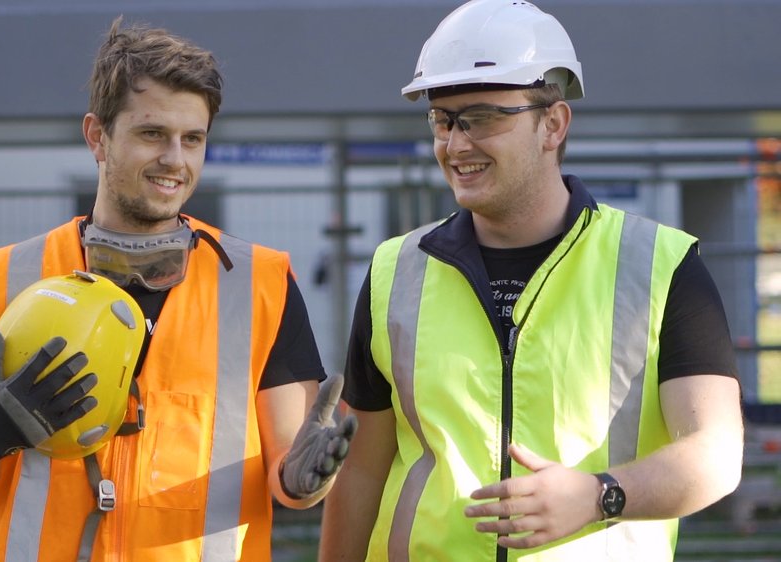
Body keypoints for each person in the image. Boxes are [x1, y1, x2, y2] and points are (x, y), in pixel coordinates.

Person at [318, 1, 744, 560]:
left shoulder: (661, 265)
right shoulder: (397, 269)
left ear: (553, 124)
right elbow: (362, 474)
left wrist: (600, 496)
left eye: (483, 117)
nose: (456, 143)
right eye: (443, 120)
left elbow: (714, 454)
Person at [0, 17, 356, 562]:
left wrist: (305, 478)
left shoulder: (259, 283)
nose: (175, 159)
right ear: (97, 137)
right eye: (153, 134)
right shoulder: (5, 278)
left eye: (192, 139)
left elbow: (288, 476)